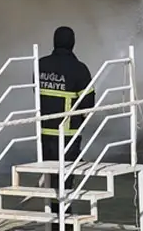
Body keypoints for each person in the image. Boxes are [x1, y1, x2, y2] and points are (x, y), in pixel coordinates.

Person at [38, 26, 94, 229]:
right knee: (66, 181)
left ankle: (54, 220)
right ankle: (64, 222)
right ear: (73, 43)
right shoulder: (79, 69)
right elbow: (88, 103)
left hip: (43, 134)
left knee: (52, 178)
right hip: (68, 135)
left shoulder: (40, 65)